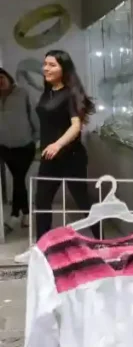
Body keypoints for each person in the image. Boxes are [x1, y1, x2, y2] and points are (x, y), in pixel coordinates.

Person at [33, 50, 99, 240]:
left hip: (71, 157)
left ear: (64, 68)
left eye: (52, 65)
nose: (46, 68)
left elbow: (76, 126)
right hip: (49, 158)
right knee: (42, 202)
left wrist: (57, 145)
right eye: (45, 63)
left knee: (82, 201)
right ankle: (42, 246)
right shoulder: (48, 92)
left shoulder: (70, 94)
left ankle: (101, 241)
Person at [0, 66, 38, 228]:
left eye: (2, 77)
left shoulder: (22, 93)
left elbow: (34, 116)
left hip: (25, 145)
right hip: (4, 146)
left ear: (8, 77)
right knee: (18, 179)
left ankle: (18, 214)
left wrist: (36, 138)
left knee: (18, 178)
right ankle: (24, 213)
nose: (0, 81)